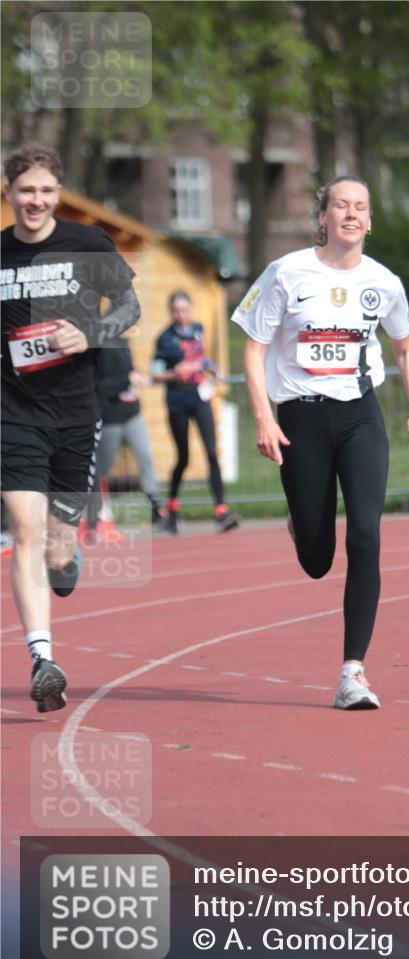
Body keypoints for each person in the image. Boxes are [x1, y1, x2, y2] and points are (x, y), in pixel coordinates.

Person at [234, 175, 409, 710]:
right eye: (340, 205)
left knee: (366, 534)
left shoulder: (385, 282)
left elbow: (405, 349)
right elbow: (252, 352)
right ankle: (303, 524)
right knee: (318, 559)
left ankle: (353, 672)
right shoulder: (285, 273)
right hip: (299, 419)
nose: (350, 214)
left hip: (359, 416)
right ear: (322, 216)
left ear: (370, 220)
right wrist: (262, 418)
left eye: (360, 207)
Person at [1, 141, 140, 712]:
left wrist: (91, 333)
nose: (36, 201)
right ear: (9, 193)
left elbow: (129, 309)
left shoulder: (88, 244)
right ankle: (42, 658)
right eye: (26, 190)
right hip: (12, 415)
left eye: (47, 191)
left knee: (57, 548)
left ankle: (67, 554)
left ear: (59, 194)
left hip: (77, 415)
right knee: (25, 534)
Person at [152, 292, 239, 535]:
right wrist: (173, 372)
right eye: (177, 310)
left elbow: (202, 358)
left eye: (185, 309)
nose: (181, 314)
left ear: (191, 310)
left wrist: (213, 367)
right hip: (177, 401)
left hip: (201, 398)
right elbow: (155, 372)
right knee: (184, 457)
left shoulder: (199, 329)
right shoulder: (165, 339)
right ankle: (172, 507)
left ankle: (222, 510)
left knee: (212, 452)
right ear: (171, 312)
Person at [86, 343, 164, 537]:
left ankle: (155, 507)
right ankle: (95, 515)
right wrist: (126, 380)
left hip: (132, 415)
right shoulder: (101, 349)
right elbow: (100, 385)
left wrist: (139, 377)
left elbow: (130, 373)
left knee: (145, 457)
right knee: (102, 468)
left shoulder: (125, 345)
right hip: (111, 419)